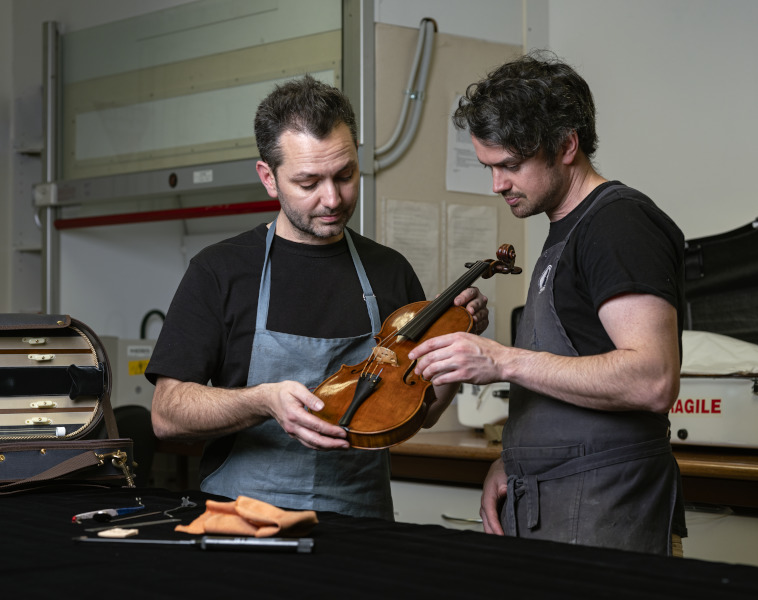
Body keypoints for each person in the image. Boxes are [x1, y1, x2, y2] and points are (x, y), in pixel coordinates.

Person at [146, 75, 488, 520]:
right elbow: (167, 414)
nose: (332, 198)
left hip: (361, 522)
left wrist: (454, 343)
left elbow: (421, 413)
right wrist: (262, 400)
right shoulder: (220, 271)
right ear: (269, 178)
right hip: (245, 521)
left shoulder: (389, 271)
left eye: (345, 175)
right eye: (308, 183)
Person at [408, 51, 687, 555]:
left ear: (566, 145)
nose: (497, 185)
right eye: (489, 167)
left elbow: (652, 379)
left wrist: (500, 359)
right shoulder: (565, 230)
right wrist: (519, 461)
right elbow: (572, 372)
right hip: (553, 497)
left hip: (608, 508)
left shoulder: (617, 226)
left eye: (511, 165)